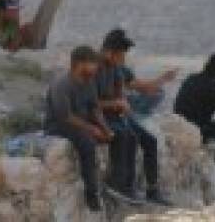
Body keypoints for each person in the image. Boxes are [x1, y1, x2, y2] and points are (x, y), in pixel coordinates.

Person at [96, 28, 175, 205]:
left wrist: (162, 79)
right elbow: (89, 103)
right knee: (127, 136)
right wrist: (117, 104)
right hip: (100, 117)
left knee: (150, 140)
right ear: (109, 51)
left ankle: (152, 190)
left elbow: (140, 87)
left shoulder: (118, 68)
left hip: (117, 115)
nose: (123, 59)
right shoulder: (93, 69)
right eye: (121, 55)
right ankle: (120, 185)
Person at [44, 45, 112, 212]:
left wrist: (105, 128)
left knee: (115, 137)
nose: (96, 68)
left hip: (80, 123)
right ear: (80, 64)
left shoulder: (89, 83)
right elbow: (65, 116)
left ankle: (111, 183)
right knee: (88, 144)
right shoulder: (62, 84)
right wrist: (92, 129)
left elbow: (95, 109)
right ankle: (91, 194)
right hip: (58, 126)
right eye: (93, 64)